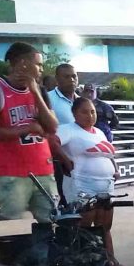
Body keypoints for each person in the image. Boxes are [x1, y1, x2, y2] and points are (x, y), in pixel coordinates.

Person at [47, 97, 131, 266]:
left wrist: (115, 169)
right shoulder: (69, 129)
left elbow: (108, 154)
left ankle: (110, 262)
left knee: (105, 226)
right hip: (82, 186)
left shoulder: (99, 132)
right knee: (83, 227)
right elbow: (52, 141)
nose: (89, 115)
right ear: (74, 114)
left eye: (92, 111)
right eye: (84, 112)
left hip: (106, 187)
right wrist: (65, 159)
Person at [0, 42, 59, 222]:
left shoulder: (40, 91)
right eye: (38, 64)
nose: (41, 69)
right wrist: (29, 128)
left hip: (43, 169)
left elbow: (52, 127)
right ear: (22, 63)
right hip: (13, 173)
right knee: (12, 226)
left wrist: (36, 93)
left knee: (51, 223)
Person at [49, 64, 79, 202]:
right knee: (63, 201)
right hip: (58, 161)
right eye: (66, 77)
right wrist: (63, 159)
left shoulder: (81, 102)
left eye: (74, 76)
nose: (71, 80)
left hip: (79, 160)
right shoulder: (48, 99)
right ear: (57, 79)